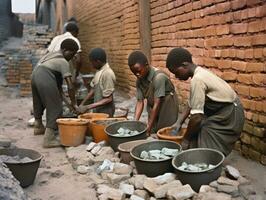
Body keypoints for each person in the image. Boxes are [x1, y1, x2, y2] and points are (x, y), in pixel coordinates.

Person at [166, 47, 245, 156]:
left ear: (185, 65)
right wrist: (179, 122)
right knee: (196, 133)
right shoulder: (199, 72)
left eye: (176, 72)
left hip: (230, 114)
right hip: (225, 110)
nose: (176, 76)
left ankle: (210, 162)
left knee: (204, 137)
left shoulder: (198, 79)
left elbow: (197, 118)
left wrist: (185, 139)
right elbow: (191, 102)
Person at [32, 39, 79, 148]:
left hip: (35, 75)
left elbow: (59, 90)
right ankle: (49, 139)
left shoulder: (51, 56)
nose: (72, 57)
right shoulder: (63, 61)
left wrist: (69, 104)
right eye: (71, 54)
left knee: (38, 102)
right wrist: (75, 104)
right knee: (55, 107)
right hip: (44, 76)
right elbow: (70, 86)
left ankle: (38, 126)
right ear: (64, 50)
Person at [128, 51, 179, 135]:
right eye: (134, 73)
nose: (137, 75)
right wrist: (134, 122)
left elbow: (157, 103)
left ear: (146, 65)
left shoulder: (159, 77)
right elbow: (140, 102)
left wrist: (148, 127)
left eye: (139, 71)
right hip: (153, 106)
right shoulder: (139, 81)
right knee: (152, 130)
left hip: (167, 105)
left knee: (165, 132)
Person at [79, 48, 116, 116]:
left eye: (92, 62)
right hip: (98, 109)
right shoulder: (99, 71)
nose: (92, 65)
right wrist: (82, 104)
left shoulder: (107, 73)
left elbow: (108, 99)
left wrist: (88, 107)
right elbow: (93, 89)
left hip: (106, 111)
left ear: (98, 61)